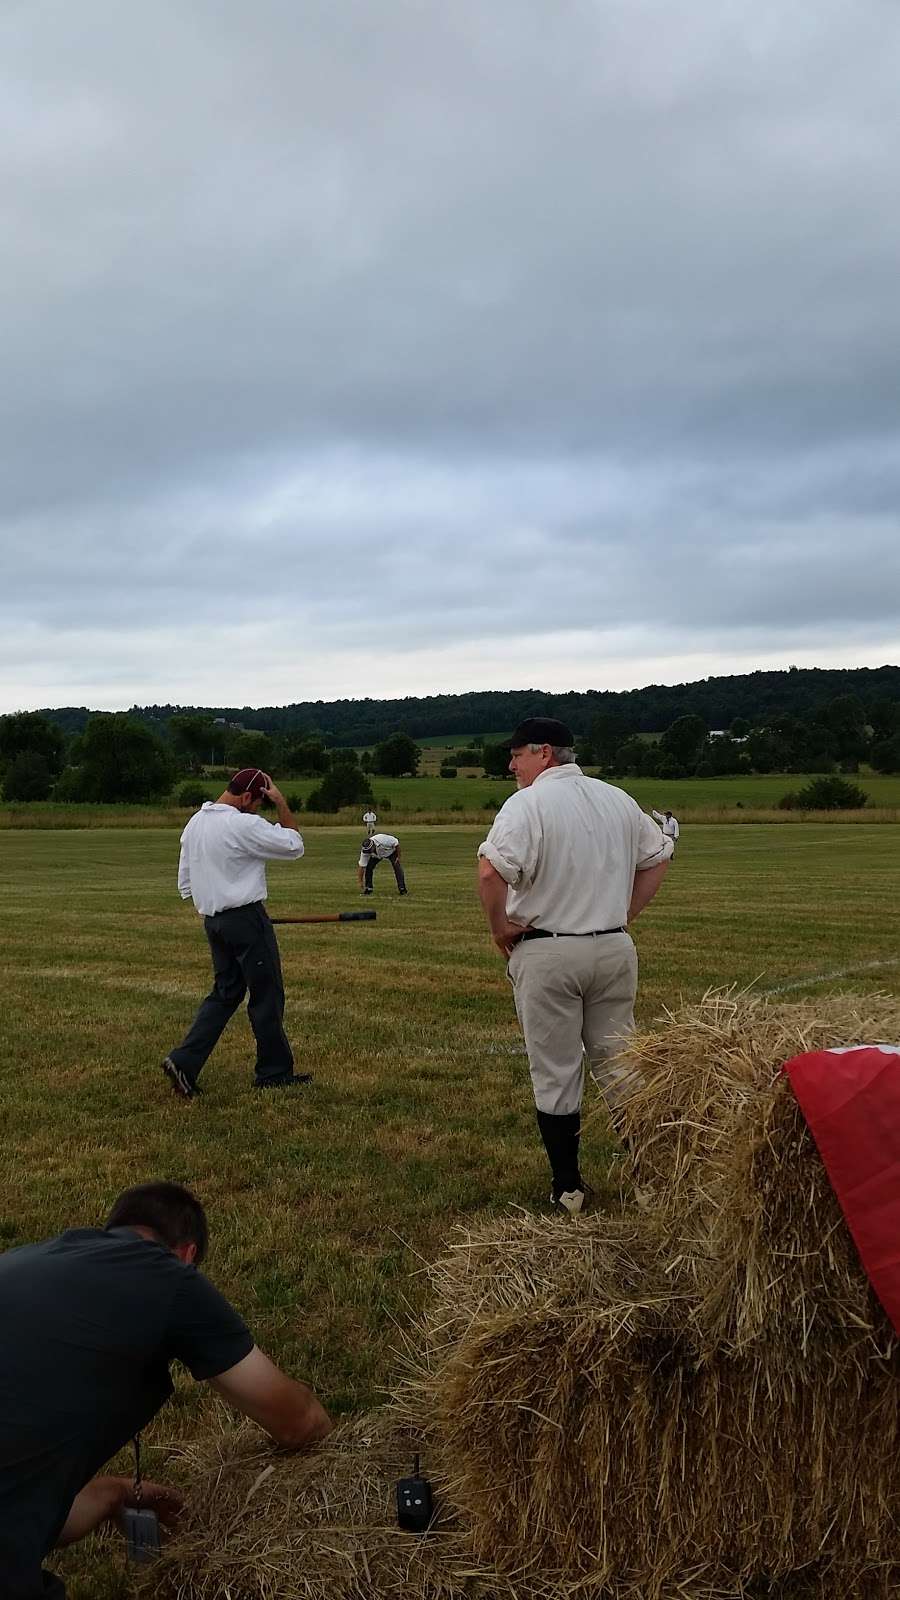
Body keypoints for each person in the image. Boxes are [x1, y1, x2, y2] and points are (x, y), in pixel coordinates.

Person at [0, 1181, 332, 1600]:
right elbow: (299, 1423)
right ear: (188, 1254)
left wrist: (112, 1495)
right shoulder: (168, 1277)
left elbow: (21, 1505)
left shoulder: (20, 1262)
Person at [476, 717, 672, 1216]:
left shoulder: (527, 804)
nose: (511, 764)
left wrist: (500, 929)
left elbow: (490, 872)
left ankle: (568, 1190)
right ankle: (651, 1180)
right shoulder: (616, 798)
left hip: (549, 951)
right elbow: (658, 856)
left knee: (556, 1070)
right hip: (612, 950)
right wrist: (623, 915)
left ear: (544, 753)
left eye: (517, 754)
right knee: (622, 1065)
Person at [162, 767, 308, 1097]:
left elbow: (185, 883)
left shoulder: (196, 822)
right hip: (246, 920)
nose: (258, 809)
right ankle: (273, 1073)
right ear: (246, 797)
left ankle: (184, 1061)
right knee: (266, 995)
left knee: (225, 993)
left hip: (213, 921)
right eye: (258, 803)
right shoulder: (242, 824)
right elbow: (294, 845)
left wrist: (215, 905)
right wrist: (281, 803)